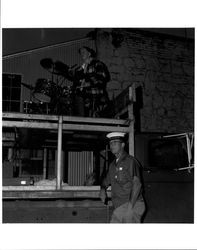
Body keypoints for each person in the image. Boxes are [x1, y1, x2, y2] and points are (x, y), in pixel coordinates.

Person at [100, 132, 145, 223]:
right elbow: (105, 181)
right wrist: (102, 189)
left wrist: (130, 208)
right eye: (111, 143)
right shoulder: (113, 165)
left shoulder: (130, 161)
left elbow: (137, 184)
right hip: (120, 206)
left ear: (123, 145)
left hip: (132, 204)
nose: (112, 145)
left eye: (115, 143)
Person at [71, 46, 110, 117]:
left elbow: (102, 79)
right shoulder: (80, 69)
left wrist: (88, 84)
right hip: (85, 99)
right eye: (81, 53)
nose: (82, 54)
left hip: (96, 96)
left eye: (84, 52)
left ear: (89, 54)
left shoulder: (97, 64)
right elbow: (77, 83)